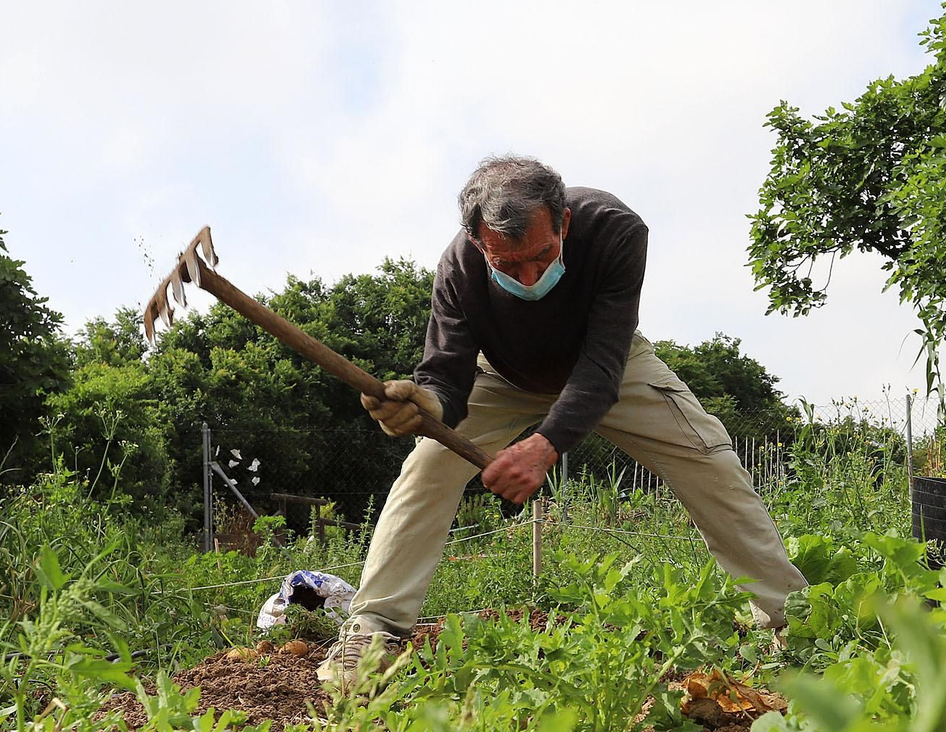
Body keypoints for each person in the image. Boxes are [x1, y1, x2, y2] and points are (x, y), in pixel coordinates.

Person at [318, 155, 807, 683]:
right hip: (500, 375)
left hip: (610, 365)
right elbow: (446, 378)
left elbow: (601, 367)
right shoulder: (459, 266)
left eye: (542, 255)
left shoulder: (614, 230)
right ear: (480, 243)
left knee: (708, 459)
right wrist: (425, 408)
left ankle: (789, 621)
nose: (529, 276)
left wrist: (545, 444)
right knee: (426, 470)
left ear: (564, 222)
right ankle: (375, 633)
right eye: (507, 265)